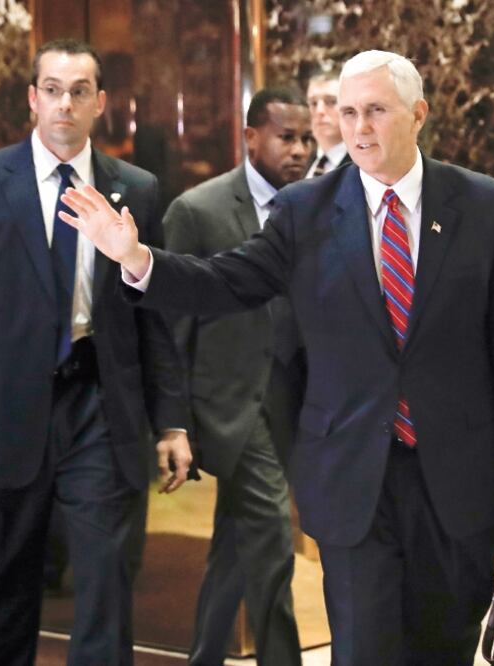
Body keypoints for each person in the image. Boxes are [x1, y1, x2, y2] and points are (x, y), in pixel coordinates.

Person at [59, 49, 494, 666]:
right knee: (363, 650)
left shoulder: (484, 205)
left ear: (418, 114)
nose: (359, 128)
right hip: (352, 474)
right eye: (348, 113)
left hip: (457, 474)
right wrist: (138, 260)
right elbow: (226, 282)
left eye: (376, 111)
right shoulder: (307, 210)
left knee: (444, 648)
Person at [0, 39, 193, 665]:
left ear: (100, 103)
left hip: (99, 404)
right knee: (1, 586)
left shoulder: (136, 188)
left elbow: (155, 316)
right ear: (33, 99)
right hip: (2, 412)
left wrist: (172, 420)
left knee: (105, 584)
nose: (65, 103)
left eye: (79, 91)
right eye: (52, 89)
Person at [164, 87, 312, 666]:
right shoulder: (197, 211)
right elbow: (171, 329)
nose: (299, 150)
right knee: (273, 537)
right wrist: (174, 421)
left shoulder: (315, 207)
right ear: (251, 137)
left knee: (235, 542)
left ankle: (204, 656)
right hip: (227, 407)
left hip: (292, 402)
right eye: (286, 137)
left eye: (306, 139)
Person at [305, 68, 350, 178]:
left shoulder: (362, 164)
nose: (319, 110)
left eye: (331, 102)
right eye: (313, 103)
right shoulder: (302, 161)